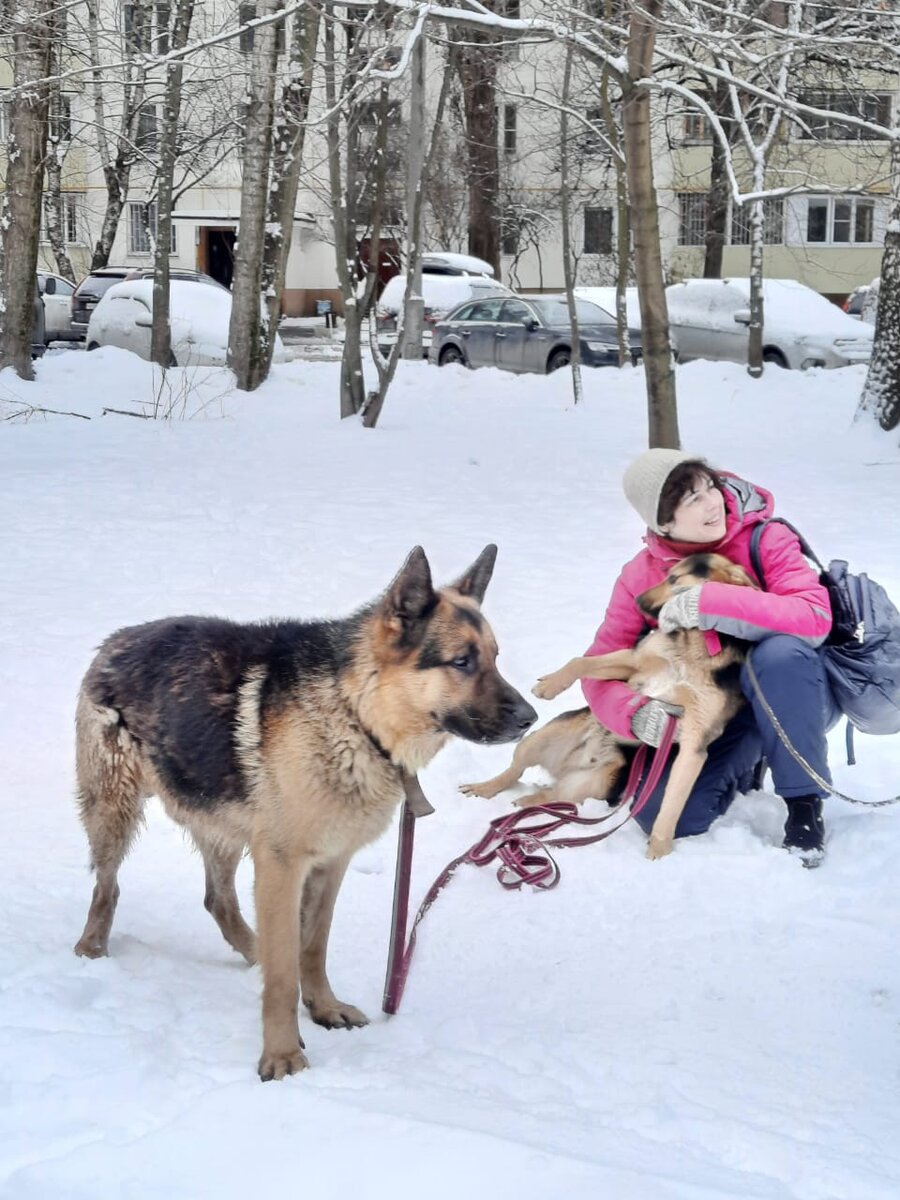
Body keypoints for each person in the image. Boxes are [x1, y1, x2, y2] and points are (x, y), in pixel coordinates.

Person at [582, 448, 839, 862]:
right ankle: (747, 759)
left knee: (781, 654)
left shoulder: (765, 539)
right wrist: (633, 713)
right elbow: (601, 665)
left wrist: (711, 601)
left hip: (794, 694)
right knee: (666, 816)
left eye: (710, 488)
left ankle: (804, 804)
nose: (712, 503)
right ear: (663, 522)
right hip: (713, 711)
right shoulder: (640, 576)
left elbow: (814, 617)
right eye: (692, 499)